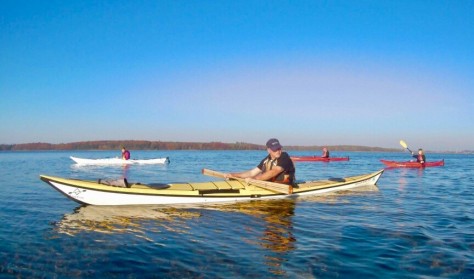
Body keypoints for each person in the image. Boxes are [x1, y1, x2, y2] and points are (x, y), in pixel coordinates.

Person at [226, 138, 295, 185]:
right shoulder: (266, 160)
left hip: (285, 186)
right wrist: (234, 175)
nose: (278, 151)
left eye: (279, 148)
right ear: (269, 150)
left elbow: (275, 171)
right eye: (275, 149)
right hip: (270, 185)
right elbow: (252, 173)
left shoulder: (284, 157)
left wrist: (255, 179)